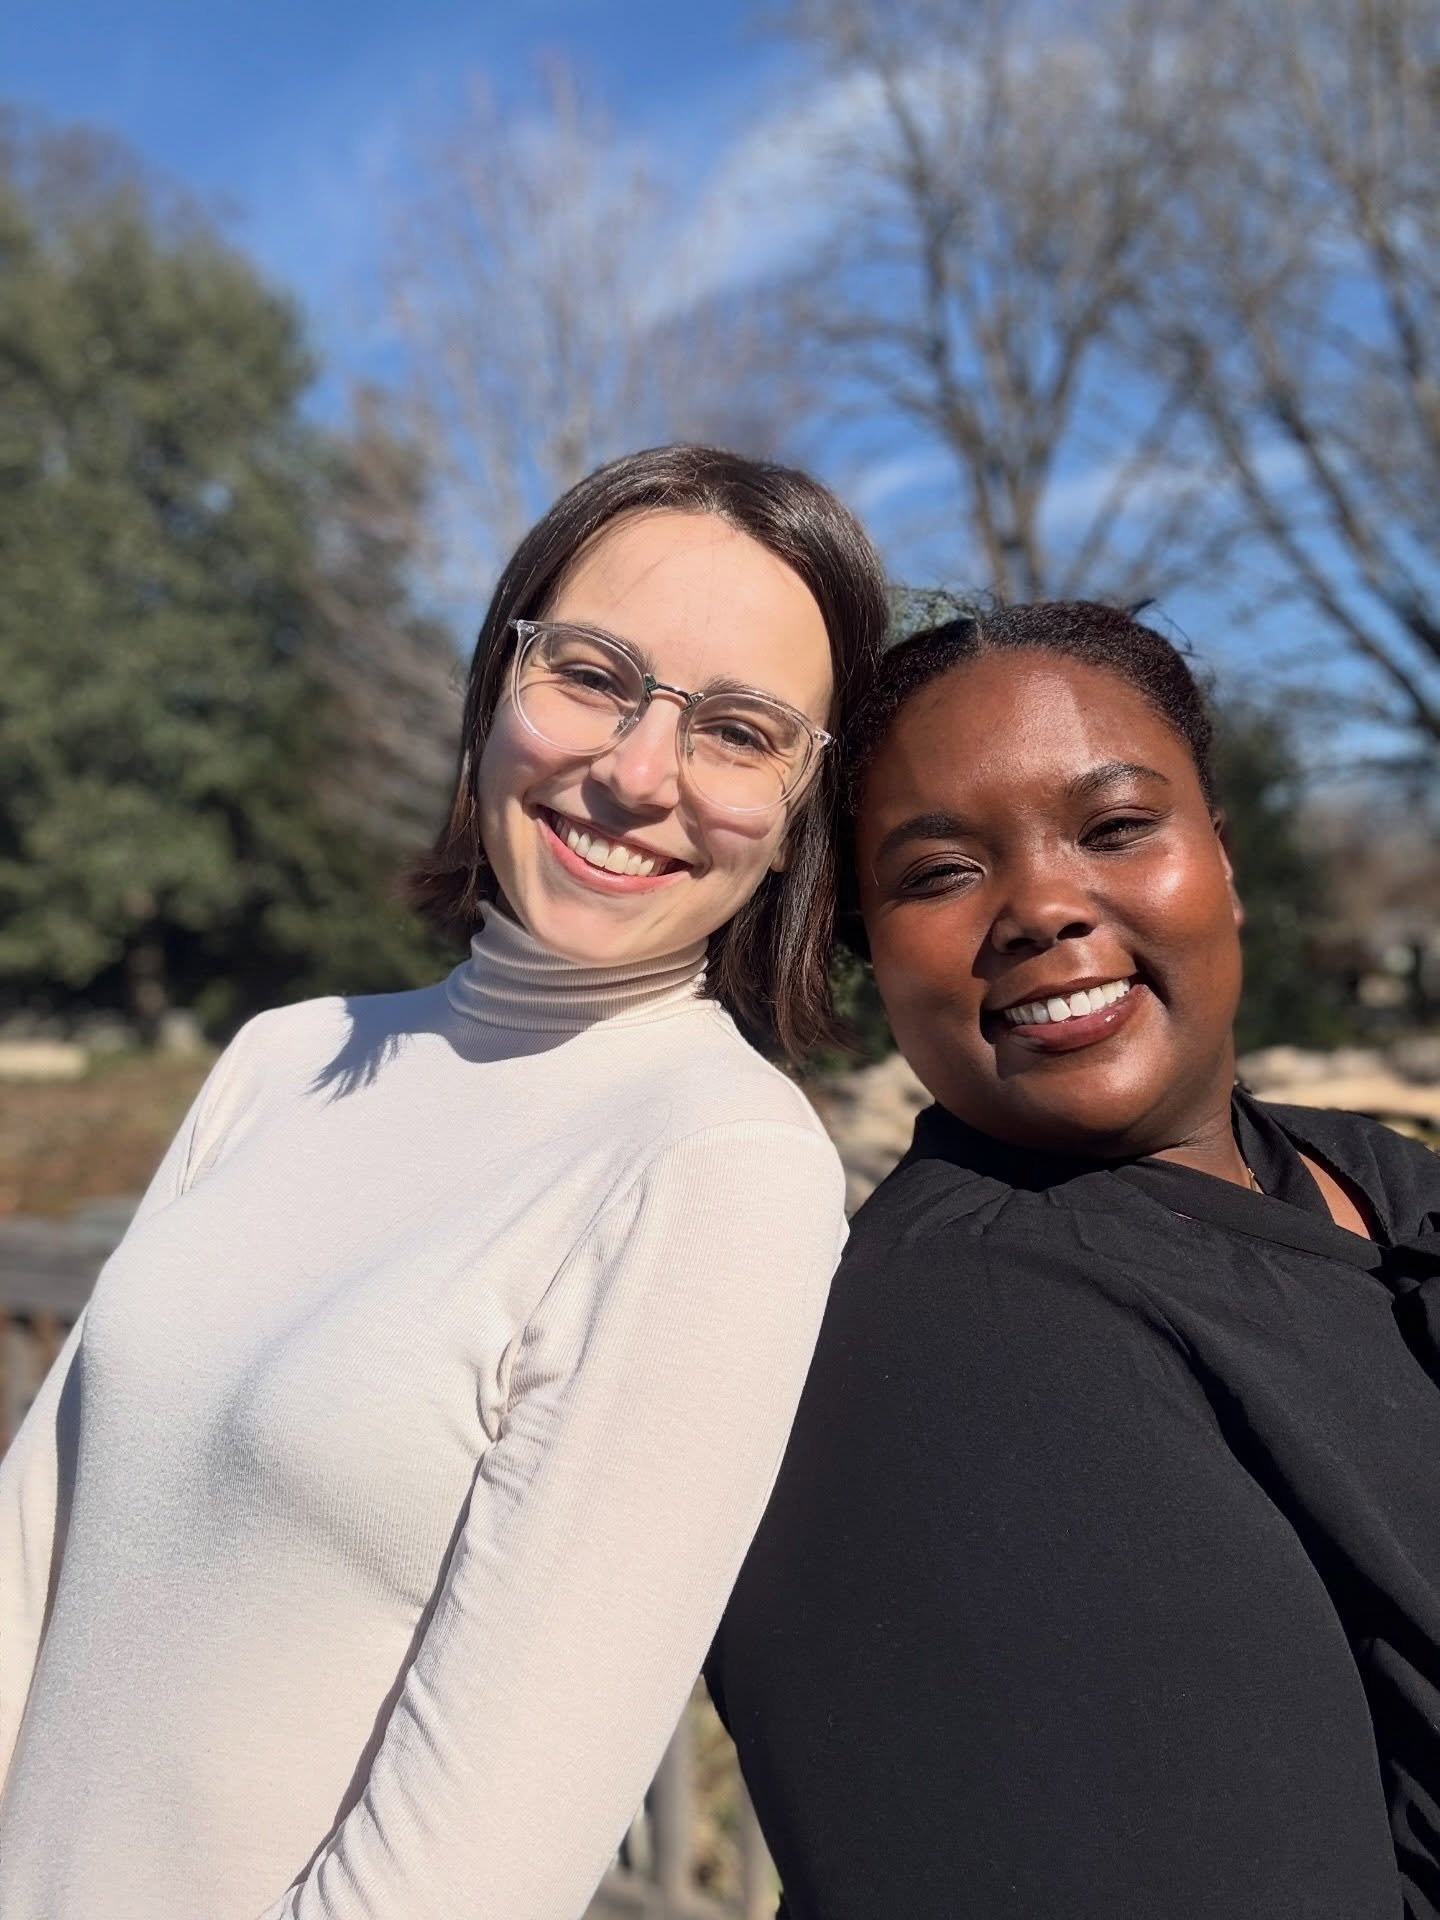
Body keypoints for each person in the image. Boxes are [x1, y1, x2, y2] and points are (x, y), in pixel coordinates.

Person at [0, 444, 889, 1920]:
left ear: (800, 807)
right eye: (594, 674)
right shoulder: (284, 1063)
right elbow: (32, 1546)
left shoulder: (718, 1165)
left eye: (738, 730)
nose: (637, 771)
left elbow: (470, 1867)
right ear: (498, 684)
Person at [708, 602, 1440, 1920]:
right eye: (938, 872)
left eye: (1116, 829)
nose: (1043, 907)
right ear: (869, 946)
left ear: (1222, 854)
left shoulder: (1377, 1181)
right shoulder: (963, 1355)